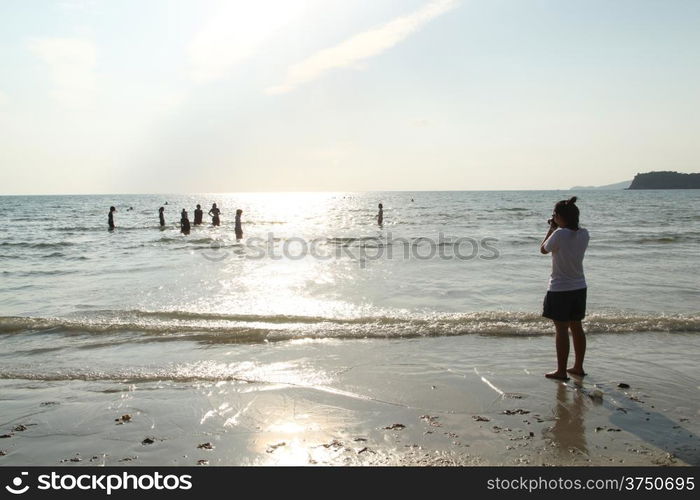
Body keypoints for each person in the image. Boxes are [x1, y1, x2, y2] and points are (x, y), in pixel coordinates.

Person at [540, 196, 589, 380]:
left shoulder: (559, 234)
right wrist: (556, 226)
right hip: (579, 287)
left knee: (561, 330)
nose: (553, 217)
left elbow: (543, 249)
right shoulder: (584, 233)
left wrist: (551, 228)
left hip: (560, 288)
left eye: (554, 215)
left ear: (560, 216)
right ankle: (578, 367)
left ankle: (561, 371)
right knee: (577, 327)